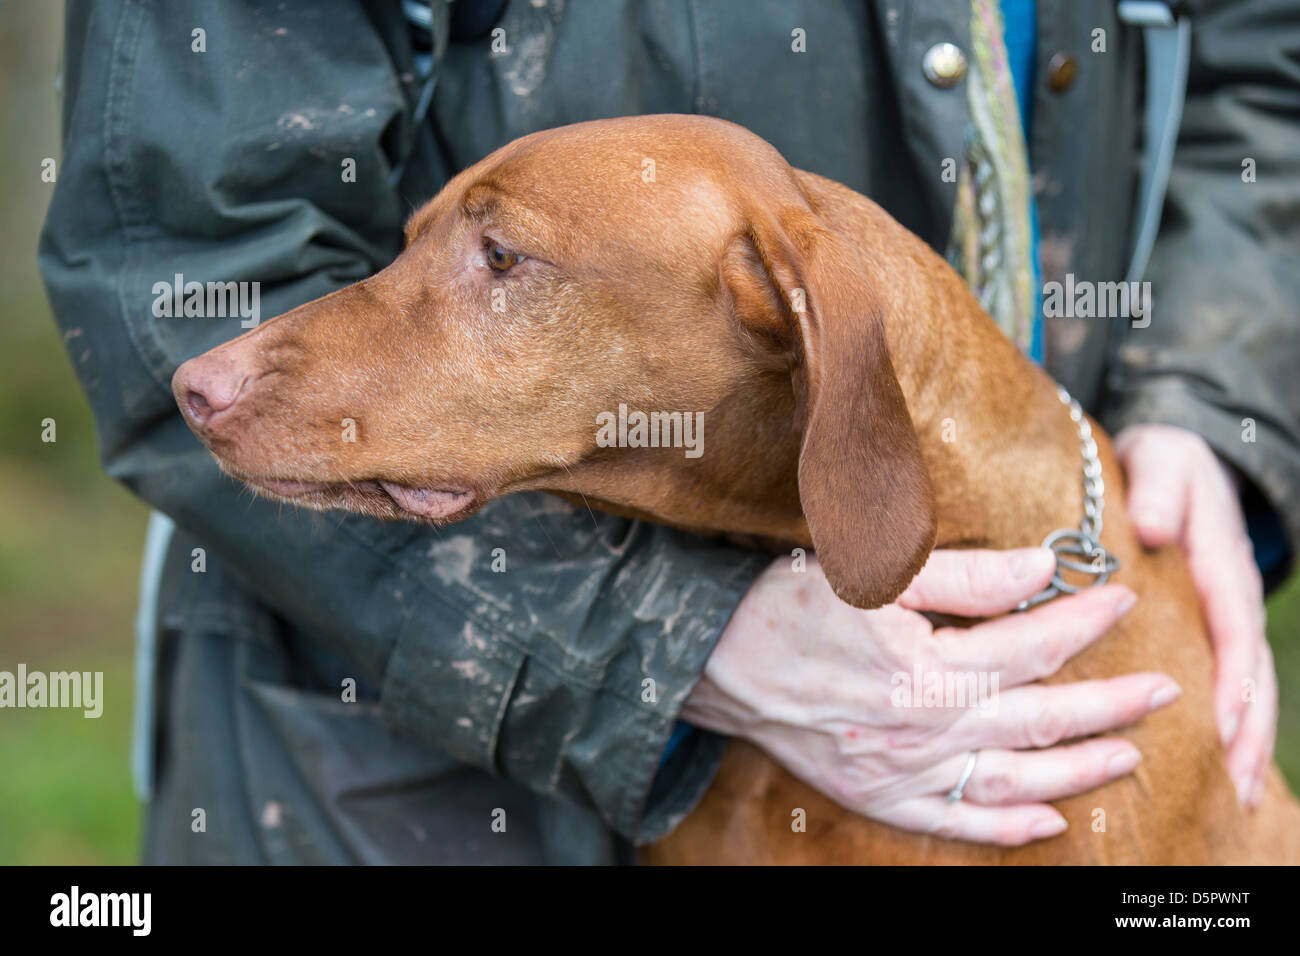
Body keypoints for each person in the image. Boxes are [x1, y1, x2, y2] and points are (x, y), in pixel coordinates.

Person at [39, 0, 1297, 863]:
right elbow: (177, 264)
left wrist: (1209, 396)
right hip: (408, 753)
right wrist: (668, 642)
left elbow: (1263, 65)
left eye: (496, 258)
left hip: (1061, 515)